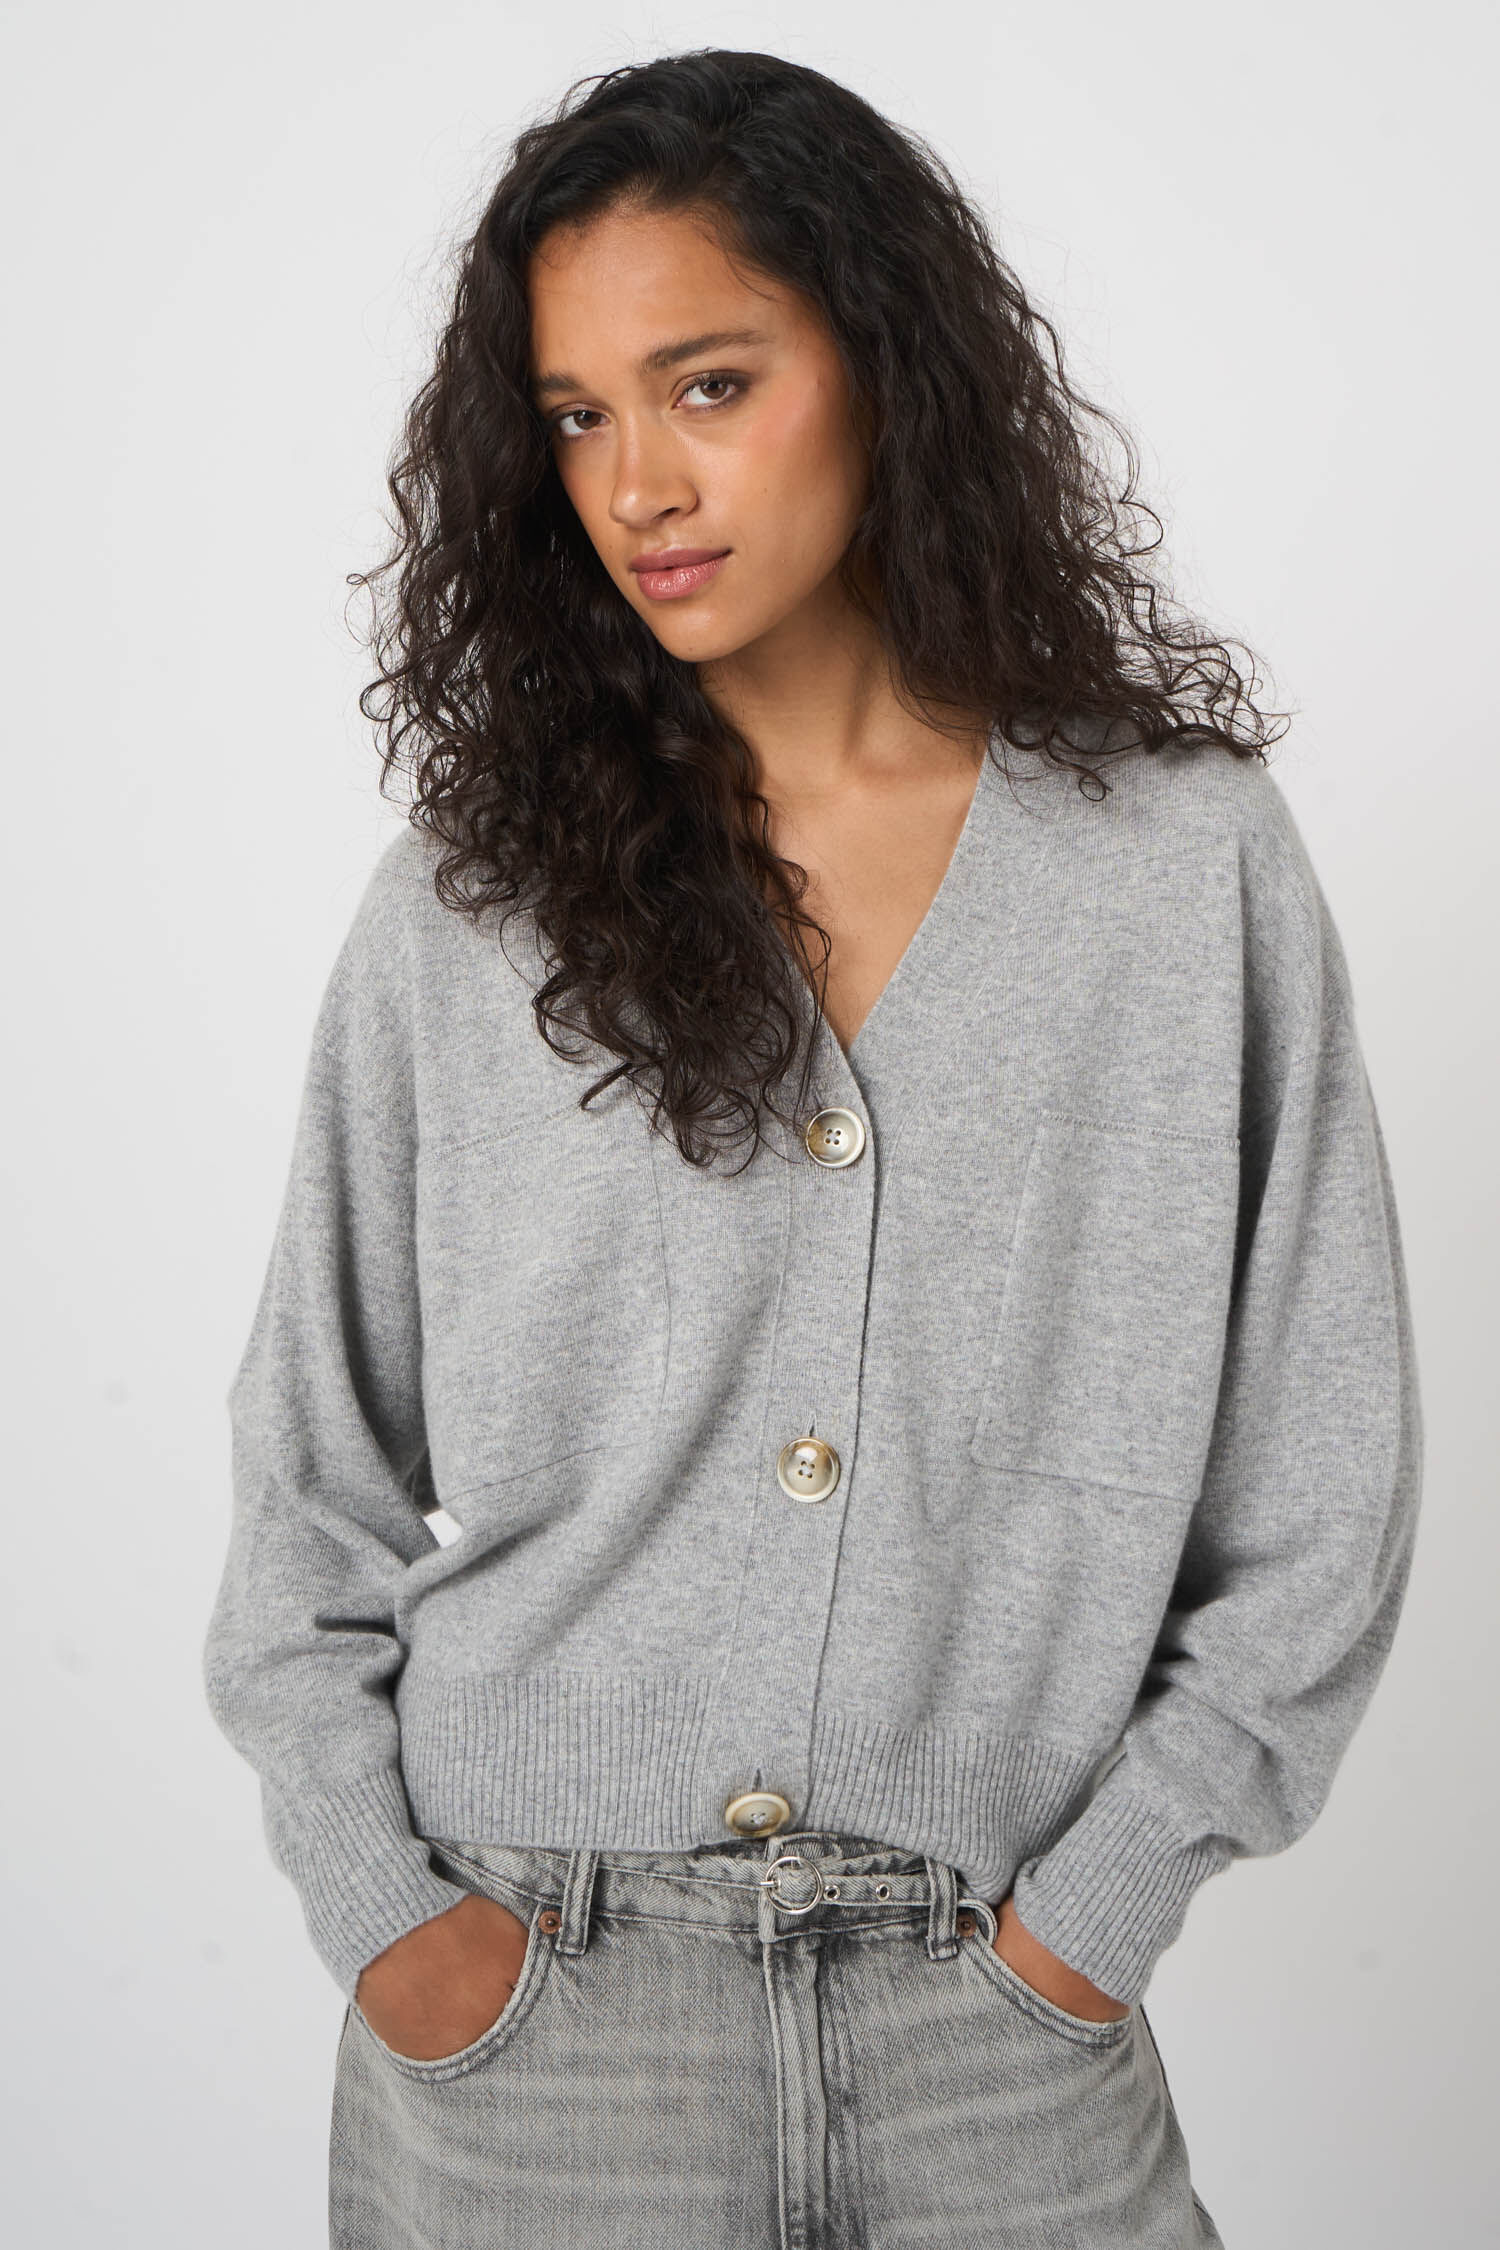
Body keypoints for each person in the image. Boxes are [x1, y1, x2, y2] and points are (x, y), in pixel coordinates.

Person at [202, 47, 1423, 2250]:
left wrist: (1092, 1918)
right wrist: (391, 1914)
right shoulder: (476, 907)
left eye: (711, 384)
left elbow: (1321, 1484)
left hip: (1002, 2034)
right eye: (578, 415)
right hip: (536, 2031)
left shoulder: (1178, 872)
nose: (640, 483)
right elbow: (309, 1479)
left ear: (882, 364)